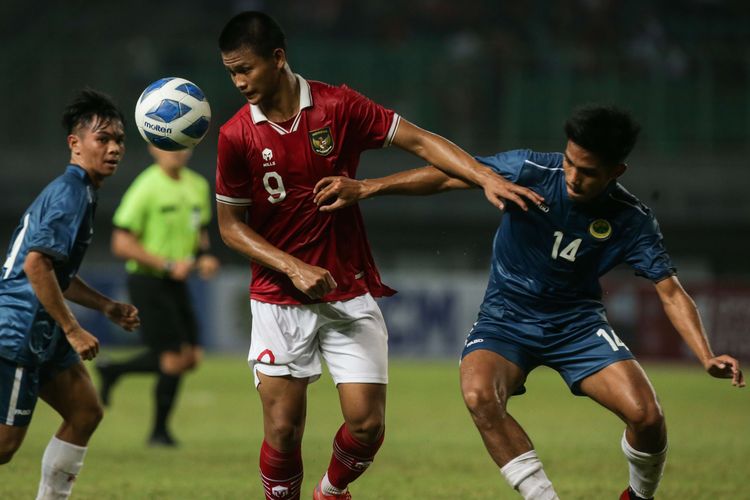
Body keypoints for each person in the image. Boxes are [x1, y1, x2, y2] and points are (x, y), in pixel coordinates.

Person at [312, 104, 745, 500]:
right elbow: (449, 174)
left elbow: (670, 290)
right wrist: (367, 187)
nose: (573, 176)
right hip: (505, 320)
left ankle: (639, 497)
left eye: (589, 172)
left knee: (648, 417)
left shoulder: (631, 220)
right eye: (571, 162)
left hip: (577, 325)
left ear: (617, 170)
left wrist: (705, 355)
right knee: (480, 394)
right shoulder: (532, 169)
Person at [214, 11, 542, 500]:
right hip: (278, 300)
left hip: (348, 291)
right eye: (231, 73)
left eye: (246, 69)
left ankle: (330, 491)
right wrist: (292, 266)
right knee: (283, 431)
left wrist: (484, 176)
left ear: (278, 58)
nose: (239, 82)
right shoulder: (236, 135)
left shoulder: (337, 106)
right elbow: (230, 227)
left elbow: (421, 141)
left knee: (367, 426)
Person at [0, 89, 140, 499]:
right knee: (5, 448)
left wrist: (106, 306)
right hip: (19, 328)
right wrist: (74, 329)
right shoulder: (71, 193)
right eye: (103, 139)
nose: (114, 148)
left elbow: (56, 271)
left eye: (119, 140)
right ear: (75, 144)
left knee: (84, 412)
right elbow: (35, 266)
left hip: (40, 326)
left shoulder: (82, 191)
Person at [96, 144, 219, 447]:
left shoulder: (198, 185)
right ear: (151, 147)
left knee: (190, 357)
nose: (177, 151)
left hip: (177, 282)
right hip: (148, 280)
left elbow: (200, 229)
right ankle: (159, 433)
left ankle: (114, 369)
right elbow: (121, 244)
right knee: (173, 358)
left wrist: (204, 256)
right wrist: (165, 263)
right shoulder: (146, 186)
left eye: (184, 144)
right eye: (168, 145)